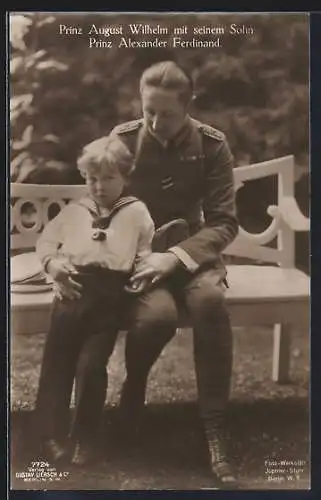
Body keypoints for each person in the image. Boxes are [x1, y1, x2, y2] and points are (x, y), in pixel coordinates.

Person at [61, 60, 239, 488]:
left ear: (189, 104)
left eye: (167, 113)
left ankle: (215, 428)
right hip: (137, 258)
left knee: (210, 302)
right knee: (157, 317)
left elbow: (224, 222)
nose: (156, 122)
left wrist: (175, 256)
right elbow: (99, 202)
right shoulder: (123, 141)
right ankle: (135, 389)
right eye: (148, 111)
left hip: (191, 257)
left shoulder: (213, 145)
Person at [33, 135, 155, 466]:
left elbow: (144, 254)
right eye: (92, 178)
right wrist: (53, 266)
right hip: (71, 292)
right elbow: (46, 243)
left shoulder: (136, 212)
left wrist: (142, 274)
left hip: (108, 298)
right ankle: (50, 436)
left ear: (125, 176)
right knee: (57, 365)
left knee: (91, 366)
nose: (99, 186)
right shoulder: (75, 211)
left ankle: (84, 437)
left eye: (109, 178)